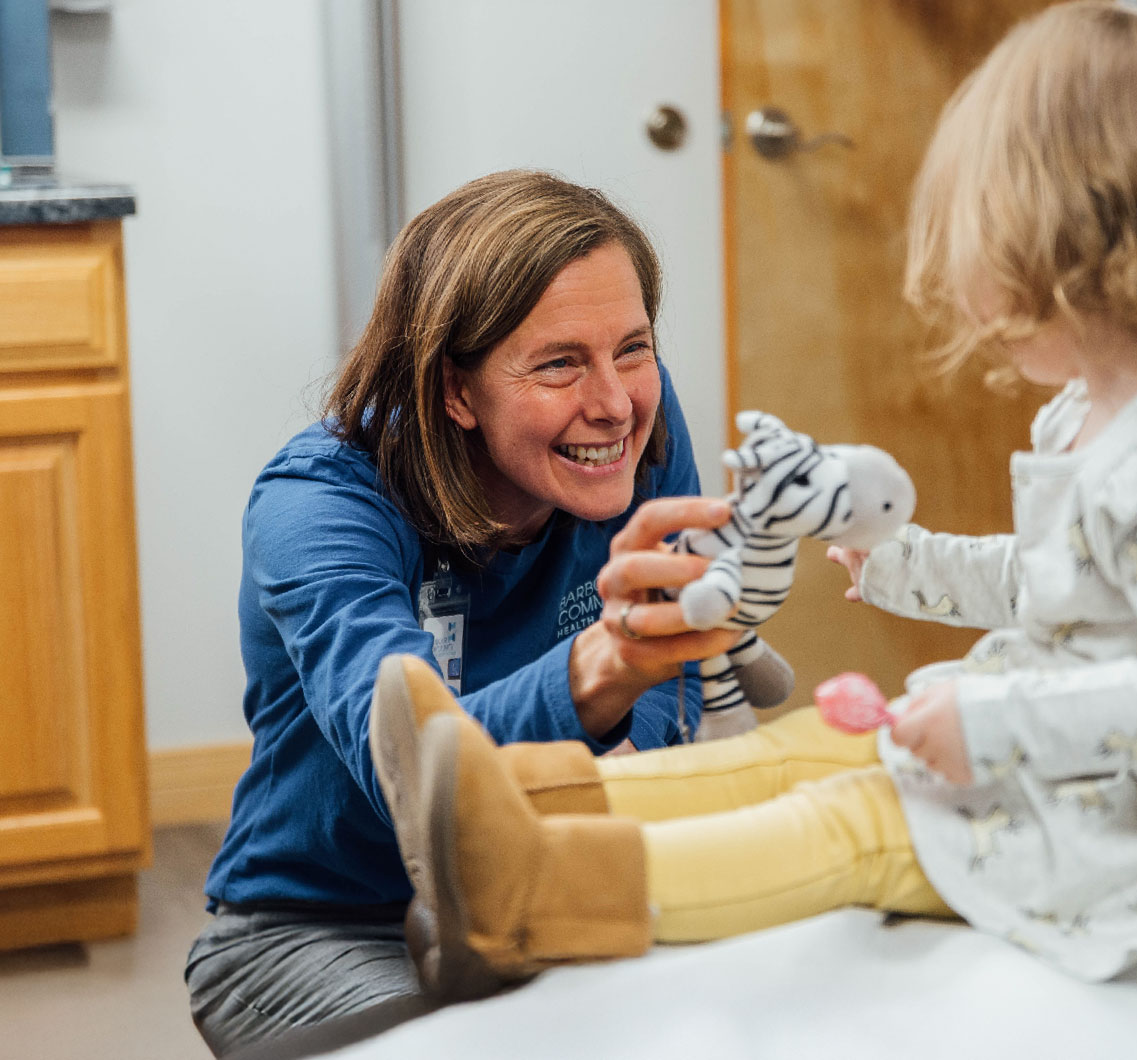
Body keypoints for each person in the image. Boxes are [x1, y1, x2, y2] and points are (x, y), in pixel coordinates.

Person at [368, 2, 1137, 1001]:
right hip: (1094, 744)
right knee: (812, 742)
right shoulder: (1104, 413)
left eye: (980, 248)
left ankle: (532, 894)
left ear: (1072, 245)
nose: (970, 294)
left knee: (857, 820)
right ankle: (507, 806)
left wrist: (996, 717)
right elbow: (1067, 584)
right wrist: (907, 560)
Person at [184, 171, 744, 1056]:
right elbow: (410, 770)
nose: (612, 402)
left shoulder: (636, 419)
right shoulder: (317, 507)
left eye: (631, 348)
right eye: (560, 362)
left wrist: (638, 732)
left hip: (549, 885)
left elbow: (668, 685)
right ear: (454, 390)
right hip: (323, 926)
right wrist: (595, 669)